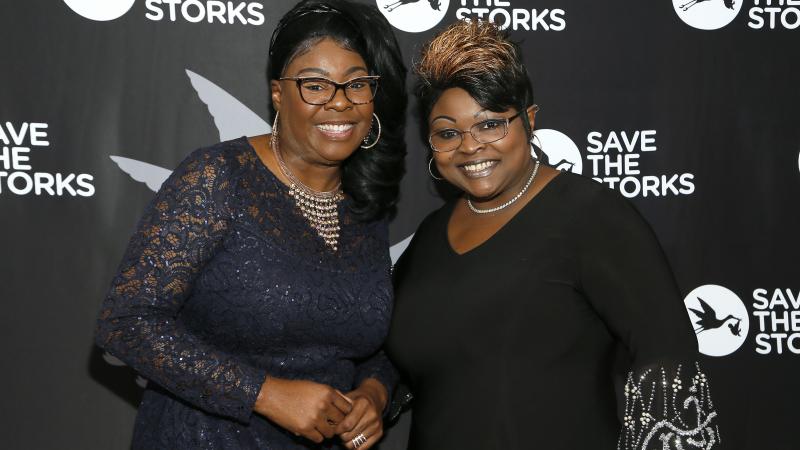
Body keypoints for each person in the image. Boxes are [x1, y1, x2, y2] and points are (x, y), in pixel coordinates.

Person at [386, 20, 720, 450]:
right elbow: (414, 363)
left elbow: (666, 353)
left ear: (528, 119)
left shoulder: (591, 216)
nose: (470, 146)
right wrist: (375, 391)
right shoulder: (430, 237)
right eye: (448, 133)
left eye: (490, 125)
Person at [95, 1, 407, 448]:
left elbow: (369, 343)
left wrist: (374, 393)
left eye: (356, 84)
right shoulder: (219, 177)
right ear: (278, 93)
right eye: (315, 85)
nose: (339, 102)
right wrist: (264, 393)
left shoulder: (365, 205)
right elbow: (125, 322)